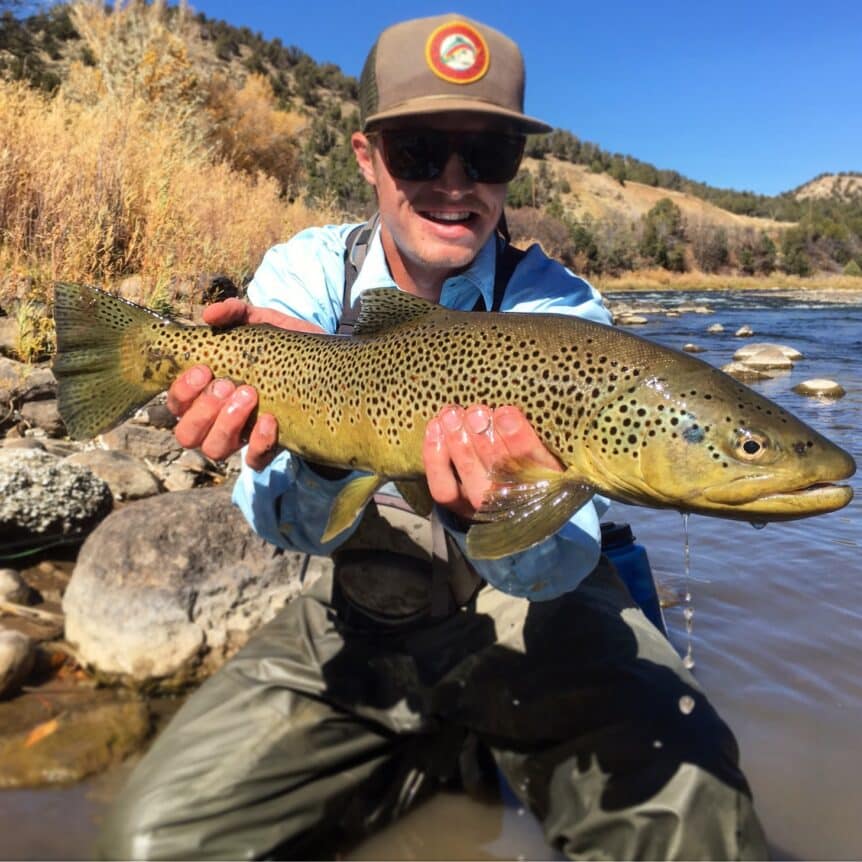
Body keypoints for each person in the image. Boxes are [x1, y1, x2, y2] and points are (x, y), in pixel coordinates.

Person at [98, 14, 768, 861]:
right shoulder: (304, 279)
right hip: (362, 619)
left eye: (486, 155)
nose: (456, 183)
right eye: (419, 152)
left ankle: (450, 764)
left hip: (539, 623)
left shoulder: (562, 315)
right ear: (365, 155)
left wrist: (492, 513)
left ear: (513, 168)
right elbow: (282, 526)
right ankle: (446, 759)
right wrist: (303, 448)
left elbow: (562, 565)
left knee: (699, 828)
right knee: (148, 843)